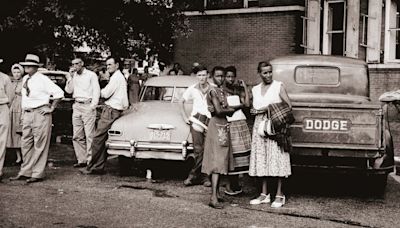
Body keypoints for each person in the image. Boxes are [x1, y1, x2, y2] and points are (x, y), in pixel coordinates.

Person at [10, 54, 64, 183]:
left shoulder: (43, 79)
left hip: (40, 113)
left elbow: (59, 93)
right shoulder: (25, 79)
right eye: (25, 65)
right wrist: (23, 115)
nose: (27, 67)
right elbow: (25, 99)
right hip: (27, 113)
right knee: (25, 143)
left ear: (36, 67)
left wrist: (51, 108)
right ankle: (25, 171)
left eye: (30, 65)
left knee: (40, 144)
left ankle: (37, 173)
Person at [249, 61, 292, 208]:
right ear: (259, 73)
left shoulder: (278, 86)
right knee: (262, 158)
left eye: (270, 72)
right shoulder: (255, 89)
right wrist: (254, 111)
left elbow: (288, 106)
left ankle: (280, 194)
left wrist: (266, 108)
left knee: (277, 158)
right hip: (259, 127)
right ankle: (264, 194)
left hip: (275, 125)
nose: (268, 75)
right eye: (265, 72)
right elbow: (253, 107)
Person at [80, 56, 129, 175]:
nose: (108, 67)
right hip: (114, 110)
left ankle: (92, 166)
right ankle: (97, 166)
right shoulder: (118, 77)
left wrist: (95, 89)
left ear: (117, 65)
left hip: (111, 110)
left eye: (110, 65)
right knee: (101, 139)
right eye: (107, 65)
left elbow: (106, 93)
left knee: (97, 139)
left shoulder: (116, 77)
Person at [202, 66, 240, 209]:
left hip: (222, 125)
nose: (221, 78)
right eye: (218, 76)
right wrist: (233, 109)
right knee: (217, 161)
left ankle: (217, 194)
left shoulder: (221, 91)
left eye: (223, 76)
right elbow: (218, 110)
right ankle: (213, 197)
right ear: (212, 77)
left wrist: (227, 110)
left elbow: (224, 111)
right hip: (216, 125)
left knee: (221, 158)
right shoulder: (213, 91)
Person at [180, 65, 213, 187]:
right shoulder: (192, 89)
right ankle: (202, 177)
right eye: (199, 75)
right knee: (198, 150)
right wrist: (185, 116)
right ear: (196, 76)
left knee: (207, 150)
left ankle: (195, 175)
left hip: (209, 122)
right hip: (196, 121)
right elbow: (181, 101)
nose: (202, 77)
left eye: (204, 75)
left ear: (208, 75)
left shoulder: (213, 89)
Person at [65, 58, 100, 168]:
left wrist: (93, 106)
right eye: (73, 64)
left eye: (77, 64)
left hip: (87, 105)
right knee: (77, 135)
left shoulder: (91, 75)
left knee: (89, 135)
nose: (75, 66)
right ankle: (82, 160)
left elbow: (96, 90)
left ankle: (90, 160)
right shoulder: (73, 76)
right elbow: (69, 91)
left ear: (82, 64)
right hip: (77, 105)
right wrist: (70, 78)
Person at [222, 66, 251, 196]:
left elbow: (247, 104)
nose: (230, 79)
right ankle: (230, 185)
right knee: (232, 154)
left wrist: (244, 87)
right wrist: (239, 106)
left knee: (241, 154)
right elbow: (228, 107)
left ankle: (236, 184)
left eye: (232, 76)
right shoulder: (221, 90)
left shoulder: (238, 89)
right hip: (230, 123)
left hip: (240, 122)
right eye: (228, 76)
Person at [7, 64, 25, 165]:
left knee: (22, 133)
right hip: (12, 108)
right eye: (14, 72)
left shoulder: (25, 82)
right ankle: (18, 157)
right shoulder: (10, 82)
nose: (16, 74)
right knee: (14, 133)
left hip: (21, 107)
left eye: (18, 72)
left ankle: (26, 156)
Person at [0, 67, 13, 182]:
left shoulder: (5, 78)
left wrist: (4, 108)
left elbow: (10, 97)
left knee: (1, 140)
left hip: (2, 107)